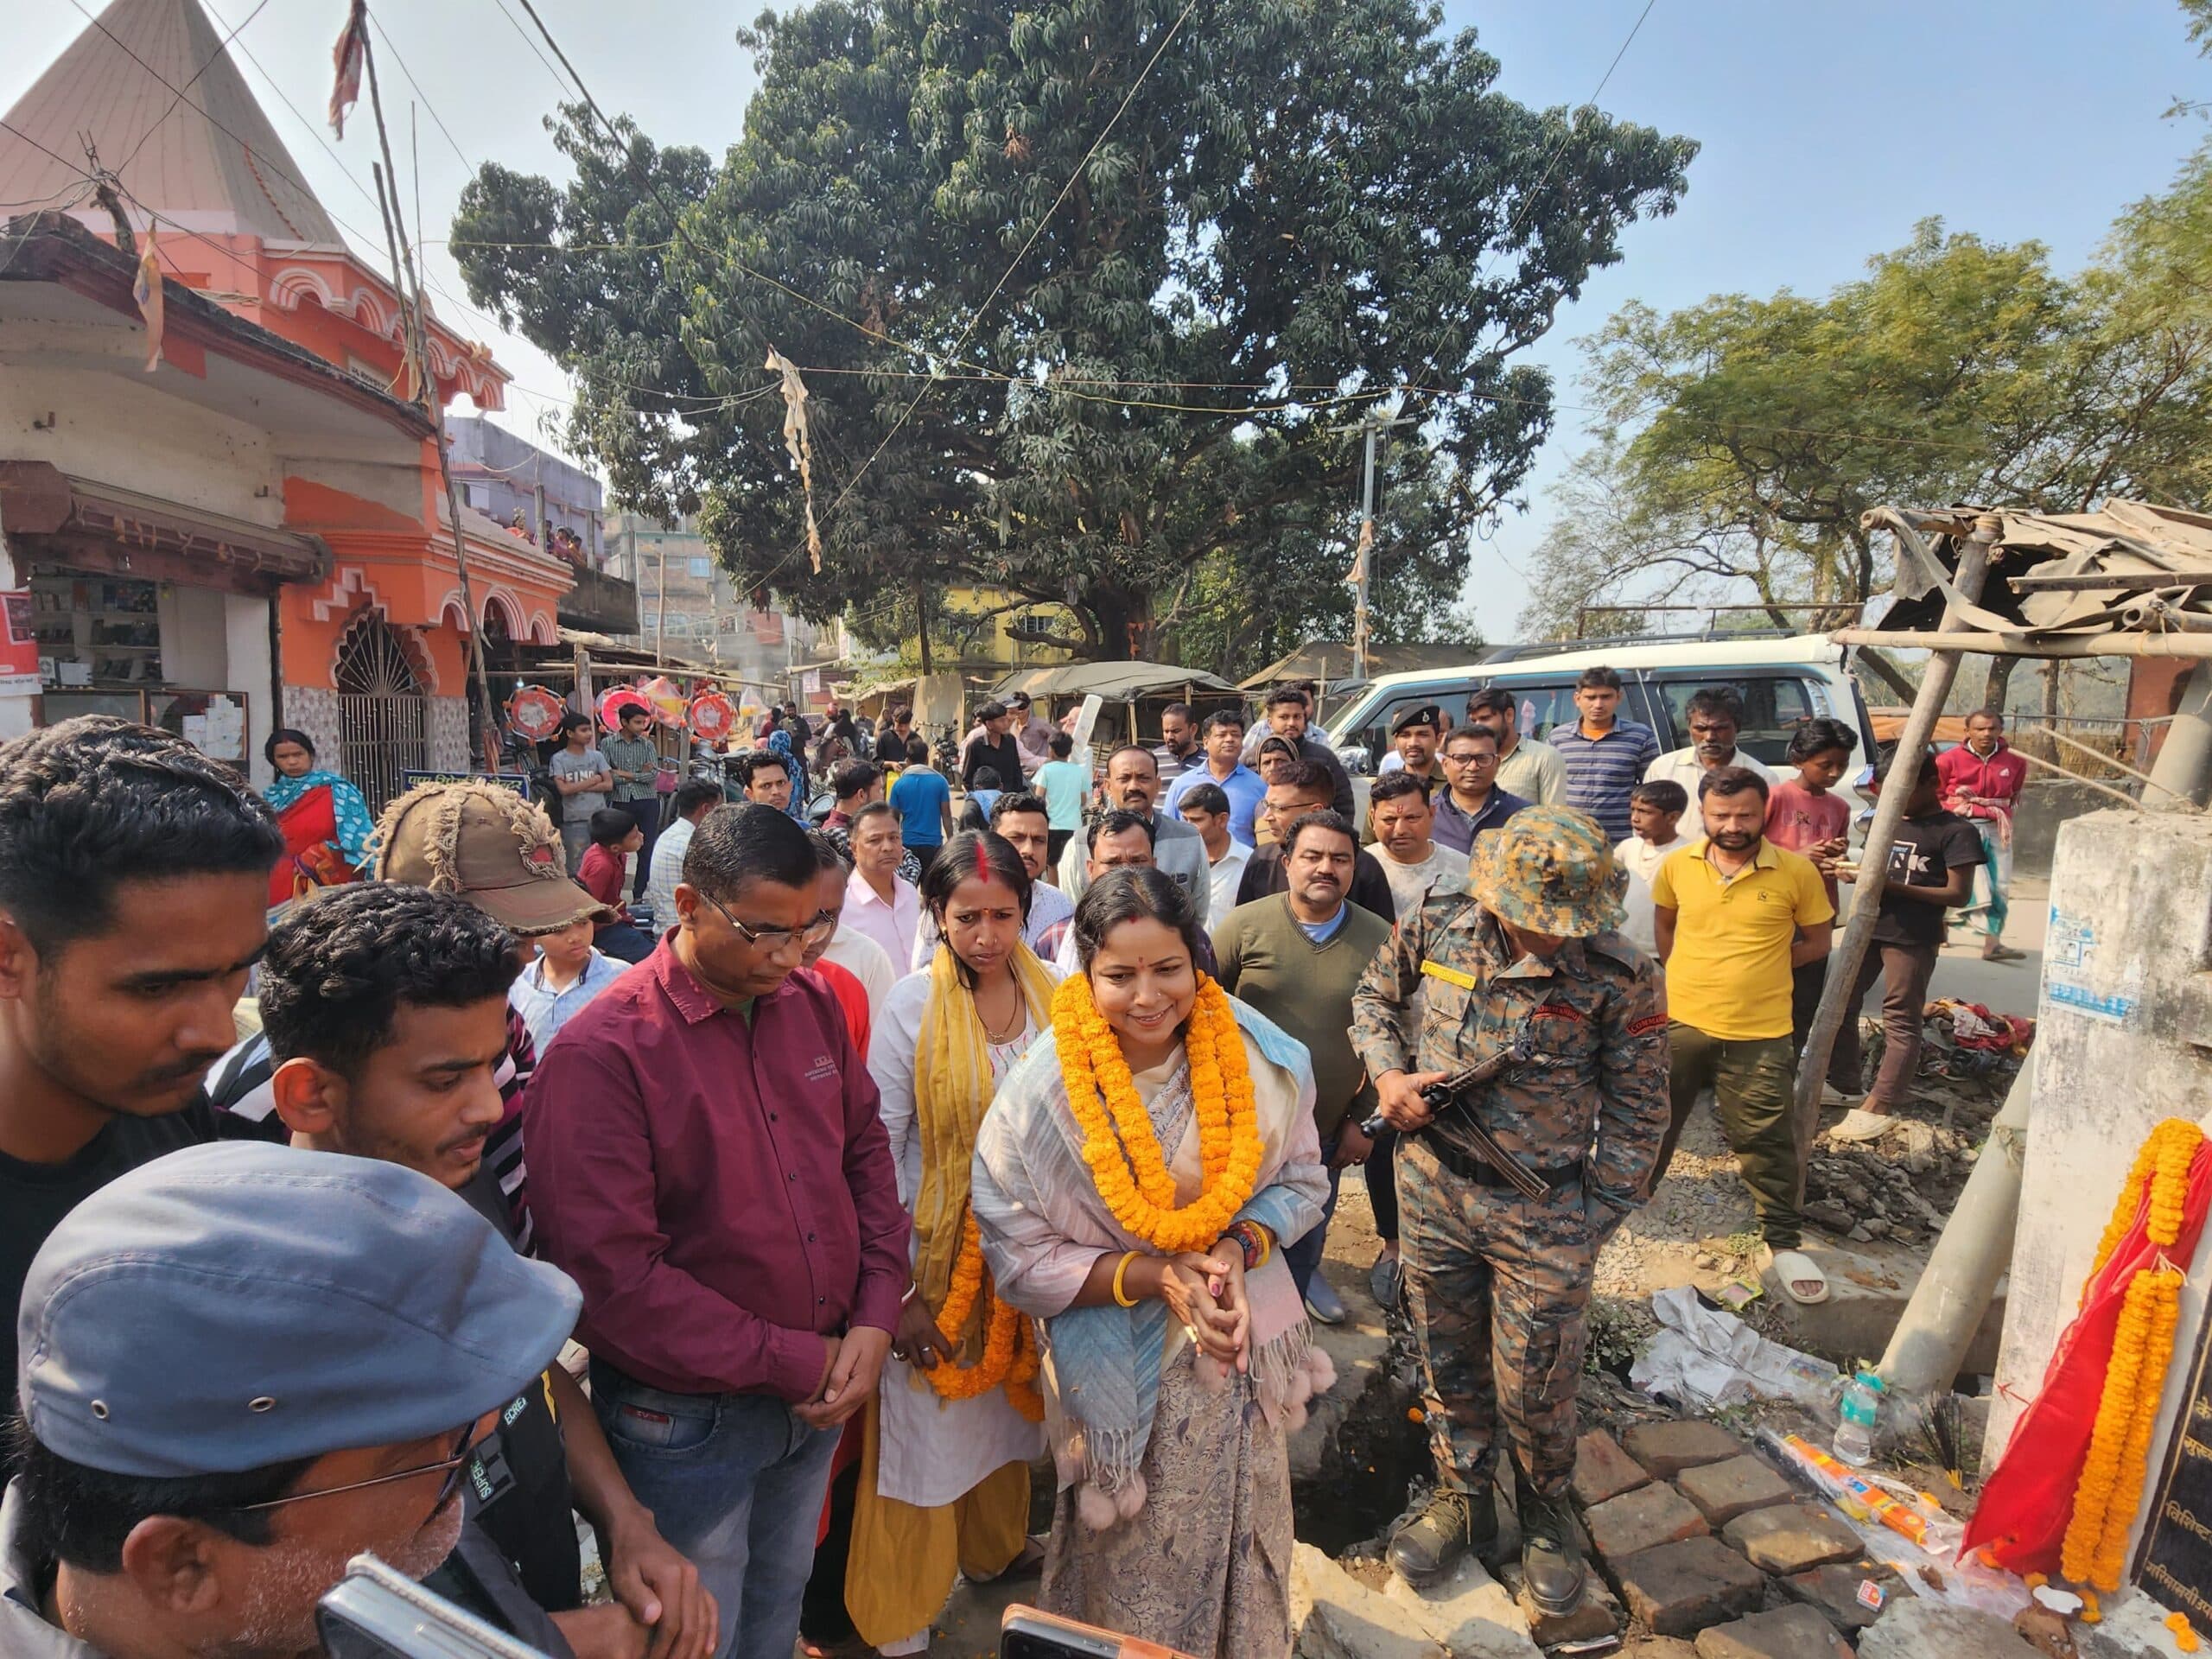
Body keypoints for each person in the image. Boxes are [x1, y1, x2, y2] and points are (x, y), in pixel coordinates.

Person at [257, 886, 715, 1659]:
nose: (486, 1108)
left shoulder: (457, 1181)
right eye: (444, 1081)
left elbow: (527, 1370)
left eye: (490, 1067)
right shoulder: (272, 1322)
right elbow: (294, 1619)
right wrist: (564, 1642)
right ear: (310, 1095)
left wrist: (625, 1521)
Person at [524, 804, 910, 1659]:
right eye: (764, 932)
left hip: (823, 1382)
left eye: (809, 928)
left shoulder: (809, 1005)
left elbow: (867, 1163)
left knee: (777, 1597)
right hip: (688, 1418)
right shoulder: (604, 1054)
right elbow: (614, 1281)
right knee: (697, 1629)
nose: (790, 955)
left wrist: (877, 1315)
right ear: (689, 904)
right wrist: (796, 1358)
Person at [2, 1141, 583, 1659]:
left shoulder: (367, 1549)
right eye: (432, 1454)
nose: (483, 1428)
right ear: (183, 1566)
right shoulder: (368, 1545)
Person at [972, 869, 1332, 1659]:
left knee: (1242, 1535)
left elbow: (1306, 1180)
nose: (1147, 996)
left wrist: (1237, 1249)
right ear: (1083, 970)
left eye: (1167, 969)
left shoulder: (1263, 1057)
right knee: (1128, 1561)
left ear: (1197, 960)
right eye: (1120, 975)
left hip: (1233, 1352)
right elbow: (1017, 1255)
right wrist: (1157, 1276)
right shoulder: (1042, 1093)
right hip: (1115, 1368)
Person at [1352, 807, 1669, 1608]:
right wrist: (1389, 1079)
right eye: (1534, 919)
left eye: (1565, 921)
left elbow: (1641, 1111)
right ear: (1495, 898)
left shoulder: (1621, 976)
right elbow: (1373, 1001)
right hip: (1432, 1191)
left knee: (1539, 1378)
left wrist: (1593, 1219)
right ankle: (1463, 1495)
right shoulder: (1440, 923)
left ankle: (1545, 1510)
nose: (1550, 936)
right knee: (1443, 1353)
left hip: (1545, 1209)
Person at [0, 719, 282, 1403]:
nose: (216, 1032)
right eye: (156, 987)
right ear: (9, 958)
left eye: (234, 974)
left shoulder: (173, 1117)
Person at [845, 832, 1057, 1656]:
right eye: (968, 916)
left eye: (1004, 915)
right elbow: (873, 1147)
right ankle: (902, 1613)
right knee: (926, 1439)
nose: (987, 935)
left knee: (1010, 1417)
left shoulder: (1056, 995)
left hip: (1032, 1256)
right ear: (937, 914)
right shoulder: (912, 1005)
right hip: (933, 1260)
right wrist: (894, 1288)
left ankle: (997, 1551)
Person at [1649, 767, 1834, 1306]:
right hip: (1681, 1021)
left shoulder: (1796, 872)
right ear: (1701, 814)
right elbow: (1666, 923)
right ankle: (1629, 1201)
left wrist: (1769, 962)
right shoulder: (1677, 865)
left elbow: (1818, 942)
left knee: (1765, 1134)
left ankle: (1781, 1237)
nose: (1733, 825)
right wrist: (1676, 967)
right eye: (1721, 815)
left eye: (1746, 815)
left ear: (1765, 814)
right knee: (1654, 1116)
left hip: (1761, 1029)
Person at [1216, 810, 1394, 1329]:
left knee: (1304, 1230)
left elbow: (1396, 1032)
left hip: (1323, 1132)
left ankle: (1287, 1325)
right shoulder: (1245, 926)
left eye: (1340, 858)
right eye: (1312, 856)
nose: (1325, 868)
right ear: (1287, 862)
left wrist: (1364, 1118)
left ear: (1354, 867)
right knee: (1229, 1237)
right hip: (1238, 1127)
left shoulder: (1381, 937)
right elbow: (1203, 1011)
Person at [1826, 753, 1983, 1143]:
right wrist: (1852, 872)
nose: (1892, 796)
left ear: (1932, 783)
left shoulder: (1955, 831)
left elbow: (1957, 894)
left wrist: (1891, 887)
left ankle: (1882, 1102)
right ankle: (1846, 1082)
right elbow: (1877, 869)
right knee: (1840, 1003)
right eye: (1886, 788)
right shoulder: (1886, 819)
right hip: (1870, 926)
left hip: (1912, 934)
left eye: (1904, 788)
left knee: (1900, 1016)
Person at [1764, 719, 1858, 1060]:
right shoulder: (1775, 798)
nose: (1834, 773)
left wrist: (1839, 860)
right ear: (1799, 759)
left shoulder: (1839, 807)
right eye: (1825, 765)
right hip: (1776, 908)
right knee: (1770, 991)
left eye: (1842, 766)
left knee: (1806, 996)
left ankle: (1791, 1064)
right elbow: (1747, 852)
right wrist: (1798, 856)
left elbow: (1837, 855)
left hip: (1818, 911)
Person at [912, 793, 1077, 968]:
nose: (1028, 850)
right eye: (1016, 838)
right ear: (993, 840)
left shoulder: (1061, 906)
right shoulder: (949, 905)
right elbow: (925, 976)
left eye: (1039, 840)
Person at [1055, 746, 1211, 927]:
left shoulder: (1189, 839)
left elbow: (1198, 916)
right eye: (1124, 778)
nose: (1134, 786)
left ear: (1158, 785)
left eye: (1143, 778)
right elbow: (1073, 915)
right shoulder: (1080, 844)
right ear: (1108, 786)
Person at [1236, 761, 1396, 922]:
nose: (1267, 817)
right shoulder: (1261, 860)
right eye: (1267, 806)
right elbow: (1243, 925)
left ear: (1315, 811)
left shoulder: (1364, 868)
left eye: (1279, 808)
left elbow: (1382, 938)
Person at [1935, 708, 2030, 963]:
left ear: (2000, 731)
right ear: (1967, 732)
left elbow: (2014, 794)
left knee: (2000, 884)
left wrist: (1995, 810)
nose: (1986, 733)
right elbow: (1938, 793)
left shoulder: (2015, 762)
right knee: (1951, 880)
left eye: (1992, 728)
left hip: (1997, 827)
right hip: (1958, 826)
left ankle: (1992, 944)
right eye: (1979, 729)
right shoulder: (1947, 760)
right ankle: (1940, 933)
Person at [262, 727, 373, 909]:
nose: (292, 761)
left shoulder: (340, 791)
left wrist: (313, 857)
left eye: (298, 754)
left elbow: (360, 841)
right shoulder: (270, 798)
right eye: (283, 757)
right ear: (274, 761)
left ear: (311, 755)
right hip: (277, 885)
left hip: (325, 884)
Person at [1548, 666, 1660, 843]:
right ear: (1577, 699)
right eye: (1590, 697)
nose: (1598, 704)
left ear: (1618, 697)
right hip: (1568, 840)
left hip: (1620, 840)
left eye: (1606, 697)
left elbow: (1654, 789)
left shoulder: (1640, 736)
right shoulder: (1558, 738)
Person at [807, 831, 897, 1027]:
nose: (817, 934)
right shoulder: (749, 977)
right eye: (809, 918)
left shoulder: (866, 961)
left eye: (832, 915)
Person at [511, 912, 627, 1054]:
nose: (575, 938)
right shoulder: (516, 983)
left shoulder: (622, 977)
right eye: (559, 930)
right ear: (534, 934)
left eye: (583, 923)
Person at [1644, 688, 1783, 803]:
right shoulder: (1663, 769)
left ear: (1738, 727)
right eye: (1701, 729)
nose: (1709, 737)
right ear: (1689, 727)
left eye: (1719, 729)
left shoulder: (1762, 777)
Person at [1248, 685, 1356, 817]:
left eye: (1297, 717)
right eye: (1284, 717)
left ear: (1304, 719)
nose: (1292, 723)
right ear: (1270, 722)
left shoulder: (1323, 758)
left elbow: (1344, 804)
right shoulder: (1253, 758)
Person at [1163, 709, 1265, 849]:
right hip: (1193, 868)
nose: (1229, 739)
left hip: (1242, 867)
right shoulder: (1182, 784)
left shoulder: (1259, 786)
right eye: (1222, 735)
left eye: (1235, 735)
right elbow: (1167, 834)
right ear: (1206, 742)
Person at [1368, 772, 1465, 918]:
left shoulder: (1464, 870)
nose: (1400, 830)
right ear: (1372, 818)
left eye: (1412, 818)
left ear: (1431, 814)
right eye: (1389, 819)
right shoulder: (1356, 868)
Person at [1430, 725, 1532, 857]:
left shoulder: (1524, 815)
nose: (1472, 767)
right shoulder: (1425, 814)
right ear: (1444, 765)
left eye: (1483, 758)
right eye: (1461, 759)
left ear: (1497, 763)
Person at [1614, 779, 1690, 958]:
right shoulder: (1627, 847)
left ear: (1672, 817)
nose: (1635, 818)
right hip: (1625, 945)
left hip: (1664, 950)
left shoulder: (1686, 854)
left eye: (1645, 812)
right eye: (1633, 810)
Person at [848, 801, 925, 970]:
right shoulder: (843, 906)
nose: (888, 847)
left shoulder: (910, 893)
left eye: (894, 838)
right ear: (854, 848)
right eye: (875, 840)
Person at [602, 703, 664, 902]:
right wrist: (637, 774)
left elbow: (653, 775)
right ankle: (614, 892)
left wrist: (624, 773)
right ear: (624, 722)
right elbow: (608, 776)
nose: (642, 727)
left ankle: (639, 893)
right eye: (637, 722)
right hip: (621, 800)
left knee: (646, 848)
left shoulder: (647, 745)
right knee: (618, 848)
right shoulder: (608, 744)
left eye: (644, 722)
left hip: (647, 800)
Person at [1464, 687, 1566, 807]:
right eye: (1473, 721)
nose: (1478, 727)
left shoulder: (1544, 757)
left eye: (1485, 719)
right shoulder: (1467, 761)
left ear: (1509, 715)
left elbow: (1553, 817)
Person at [578, 808, 654, 963]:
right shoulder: (602, 866)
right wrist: (587, 946)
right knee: (651, 957)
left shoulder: (619, 855)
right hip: (601, 928)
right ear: (615, 847)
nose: (641, 836)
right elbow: (586, 910)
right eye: (634, 836)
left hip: (617, 915)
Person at [648, 779, 725, 928]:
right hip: (684, 932)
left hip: (668, 925)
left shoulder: (671, 834)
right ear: (707, 809)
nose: (722, 816)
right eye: (720, 809)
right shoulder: (692, 845)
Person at [1176, 780, 1251, 927]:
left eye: (1196, 820)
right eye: (1185, 820)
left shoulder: (1249, 862)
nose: (1188, 827)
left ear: (1222, 820)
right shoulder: (1177, 860)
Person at [550, 712, 615, 874]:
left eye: (590, 730)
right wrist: (593, 781)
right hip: (574, 819)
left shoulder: (597, 756)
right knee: (576, 864)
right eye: (584, 730)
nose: (589, 734)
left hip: (600, 818)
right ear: (570, 733)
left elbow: (608, 784)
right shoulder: (559, 759)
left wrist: (577, 786)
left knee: (603, 862)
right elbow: (564, 790)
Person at [888, 741, 955, 878]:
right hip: (933, 845)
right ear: (926, 758)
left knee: (907, 887)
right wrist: (951, 841)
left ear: (907, 760)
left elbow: (892, 818)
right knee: (929, 892)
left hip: (907, 844)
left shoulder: (899, 784)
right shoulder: (940, 782)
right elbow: (946, 816)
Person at [1032, 731, 1091, 867]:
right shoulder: (1079, 771)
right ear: (1070, 751)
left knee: (1053, 864)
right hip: (1074, 826)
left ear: (1051, 750)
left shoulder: (1046, 770)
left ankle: (1054, 887)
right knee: (1071, 864)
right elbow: (1083, 800)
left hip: (1052, 825)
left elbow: (1039, 797)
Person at [961, 702, 1027, 793]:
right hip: (986, 800)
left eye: (1006, 719)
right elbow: (967, 779)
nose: (1005, 723)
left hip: (1008, 799)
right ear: (989, 724)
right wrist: (979, 798)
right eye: (1001, 720)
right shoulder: (975, 746)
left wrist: (1016, 795)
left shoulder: (1010, 741)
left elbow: (1016, 770)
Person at [823, 762, 884, 857]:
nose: (883, 797)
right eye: (879, 790)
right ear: (861, 795)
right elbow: (885, 866)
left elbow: (905, 855)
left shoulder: (860, 826)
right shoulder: (839, 834)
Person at [1376, 704, 1445, 785]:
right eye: (1405, 735)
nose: (1413, 743)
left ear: (1438, 740)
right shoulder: (1387, 786)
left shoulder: (1454, 783)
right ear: (1396, 741)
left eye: (1422, 735)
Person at [1008, 691, 1058, 772]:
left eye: (1022, 707)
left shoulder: (1040, 724)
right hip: (1019, 772)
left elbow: (1058, 738)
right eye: (1016, 707)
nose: (1019, 711)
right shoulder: (1010, 727)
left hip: (1039, 770)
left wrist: (1054, 759)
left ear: (1028, 707)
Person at [1152, 702, 1199, 783]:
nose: (1170, 737)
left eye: (1176, 731)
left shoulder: (1209, 762)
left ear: (1193, 729)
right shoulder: (1152, 760)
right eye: (1166, 731)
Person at [962, 765, 1006, 830]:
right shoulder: (1007, 799)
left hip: (984, 838)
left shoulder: (975, 798)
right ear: (1001, 786)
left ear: (976, 787)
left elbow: (967, 814)